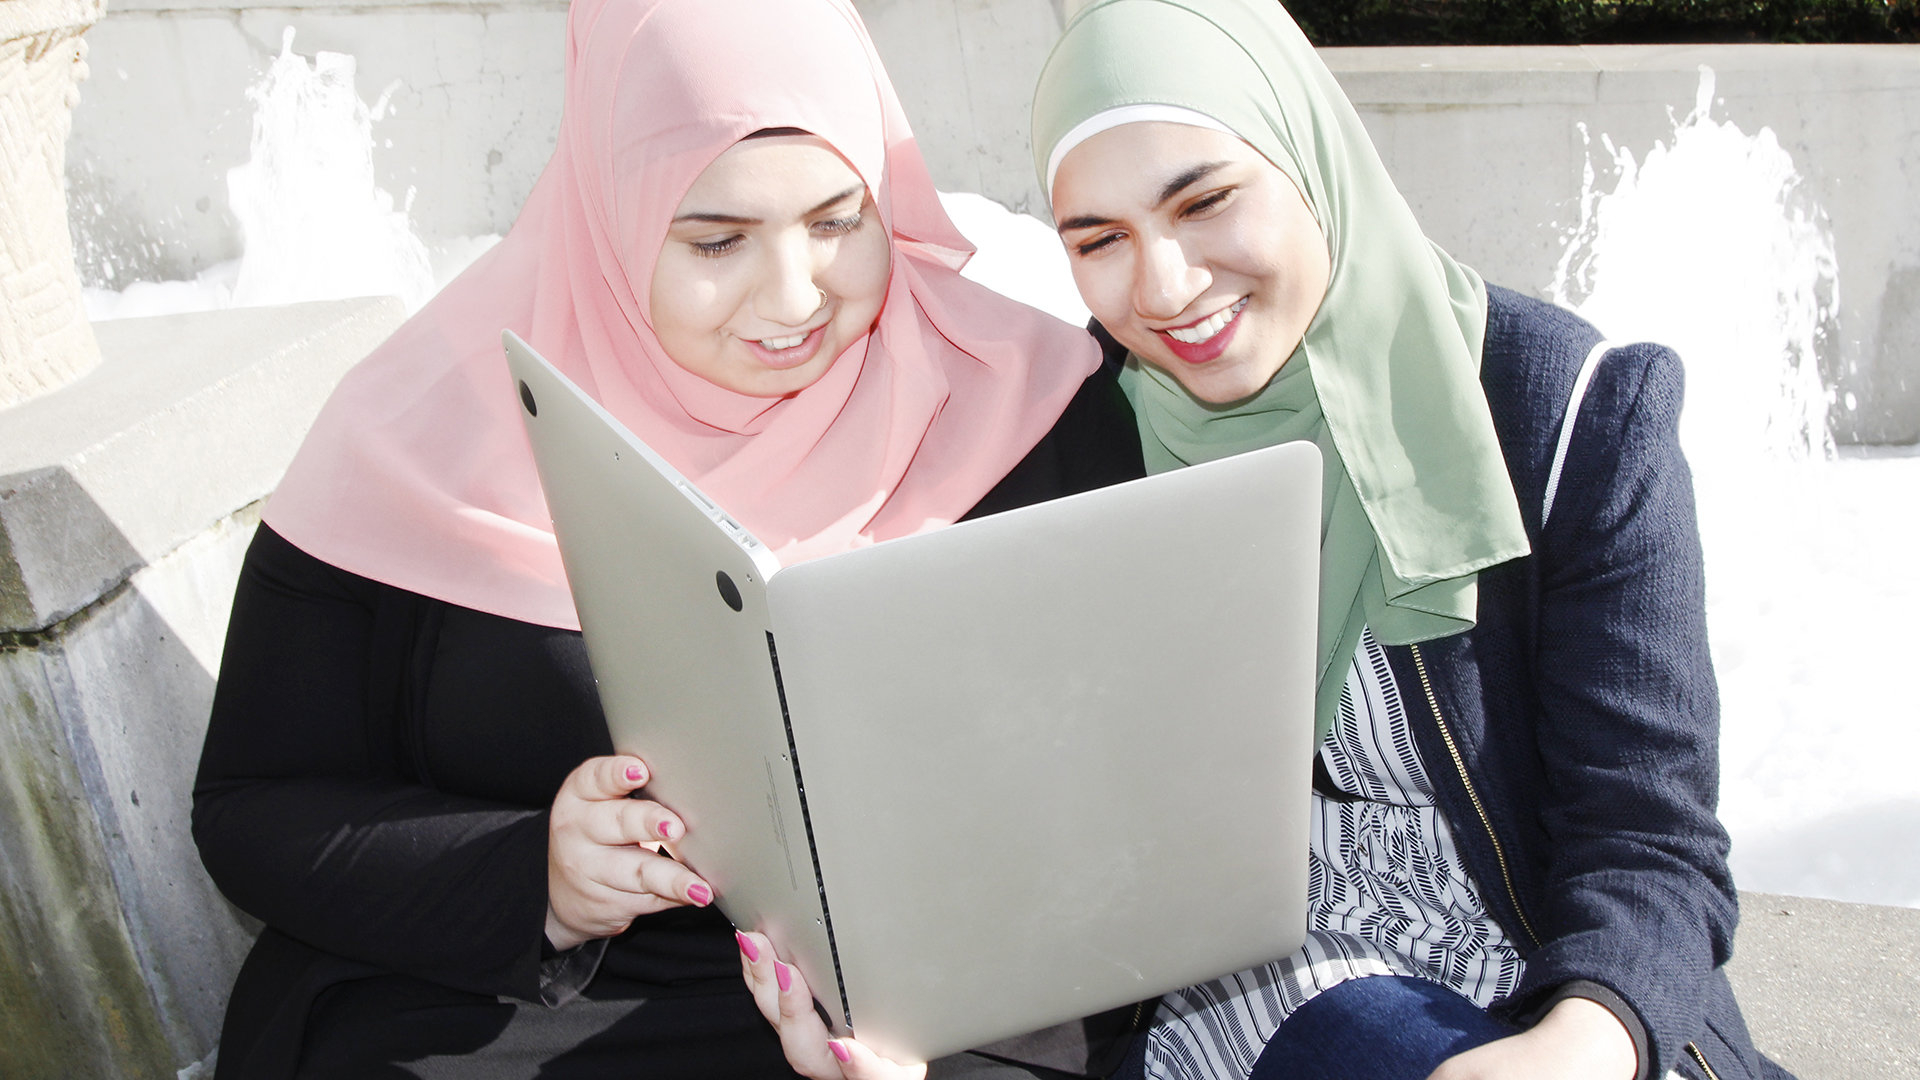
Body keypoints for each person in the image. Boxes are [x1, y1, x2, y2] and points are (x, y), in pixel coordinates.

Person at [190, 0, 1144, 1077]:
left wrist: (922, 1005)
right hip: (529, 1013)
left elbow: (1135, 784)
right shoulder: (420, 438)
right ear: (612, 214)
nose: (796, 296)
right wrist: (534, 875)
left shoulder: (1022, 401)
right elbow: (254, 808)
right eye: (717, 239)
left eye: (839, 220)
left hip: (943, 1010)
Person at [1029, 2, 1794, 1079]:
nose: (1163, 287)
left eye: (1205, 200)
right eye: (1098, 239)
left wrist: (1581, 1042)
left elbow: (1647, 838)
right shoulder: (1075, 440)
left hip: (1560, 988)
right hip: (1263, 985)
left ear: (1310, 156)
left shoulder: (1568, 419)